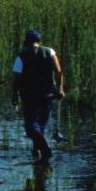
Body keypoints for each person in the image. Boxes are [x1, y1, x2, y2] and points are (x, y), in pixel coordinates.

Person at [12, 29, 65, 161]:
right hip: (48, 94)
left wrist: (14, 94)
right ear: (39, 42)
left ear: (26, 42)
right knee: (40, 125)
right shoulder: (50, 52)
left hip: (29, 95)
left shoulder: (21, 55)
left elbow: (16, 78)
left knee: (31, 128)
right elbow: (59, 72)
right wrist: (60, 89)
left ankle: (45, 150)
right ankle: (37, 152)